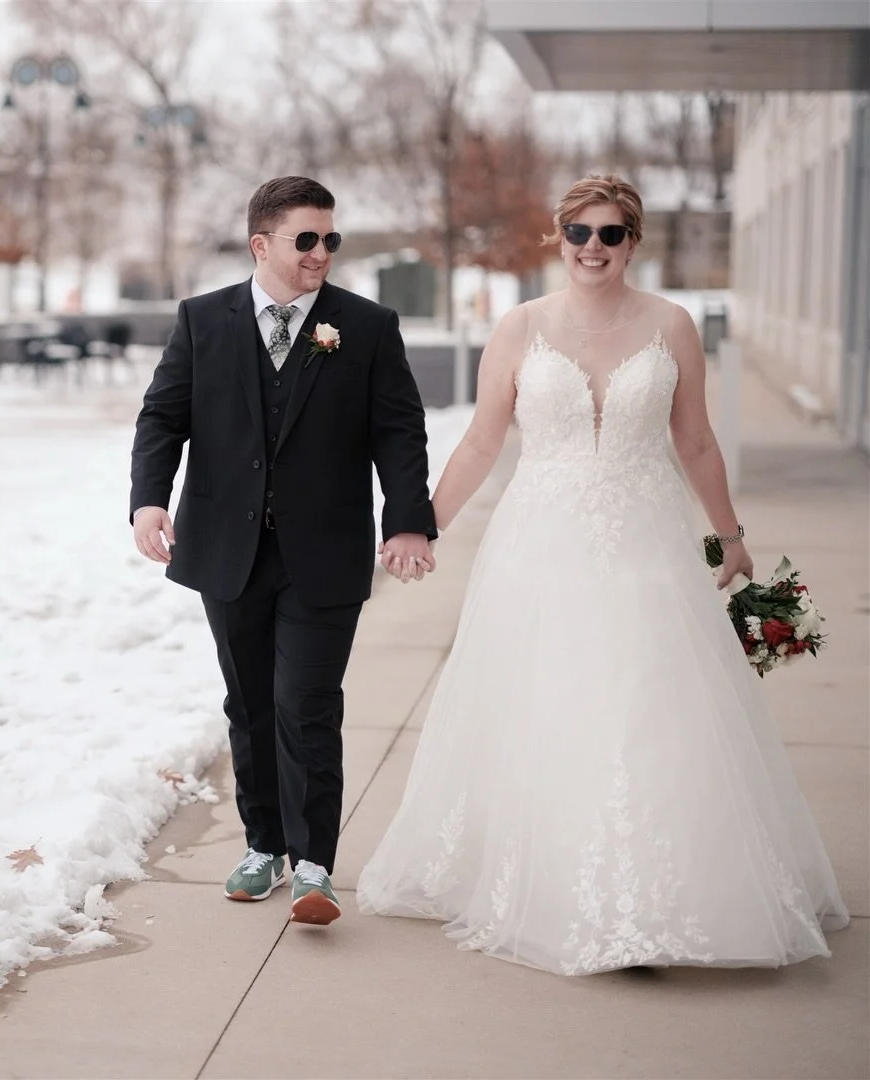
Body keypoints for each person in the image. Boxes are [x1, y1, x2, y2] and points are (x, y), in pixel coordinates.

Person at [356, 174, 849, 973]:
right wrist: (420, 524)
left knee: (646, 702)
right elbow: (484, 441)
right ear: (558, 236)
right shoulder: (518, 328)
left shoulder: (672, 325)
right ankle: (555, 878)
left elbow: (694, 443)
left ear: (633, 241)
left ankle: (650, 890)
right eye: (580, 232)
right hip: (539, 543)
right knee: (549, 702)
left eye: (611, 234)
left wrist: (730, 536)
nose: (594, 248)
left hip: (645, 540)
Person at [129, 176, 436, 926]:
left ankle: (313, 865)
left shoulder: (364, 326)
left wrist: (407, 519)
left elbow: (399, 431)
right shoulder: (203, 320)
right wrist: (147, 499)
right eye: (306, 239)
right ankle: (263, 846)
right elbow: (162, 416)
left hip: (324, 553)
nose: (321, 253)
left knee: (307, 704)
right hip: (225, 549)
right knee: (250, 704)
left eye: (331, 239)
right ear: (261, 244)